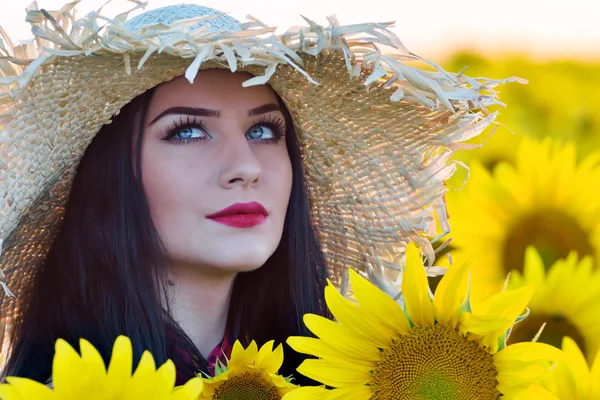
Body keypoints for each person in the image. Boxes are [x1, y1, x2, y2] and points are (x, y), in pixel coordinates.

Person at [0, 1, 517, 385]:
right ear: (107, 177)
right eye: (187, 131)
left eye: (265, 131)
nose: (245, 168)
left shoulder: (353, 382)